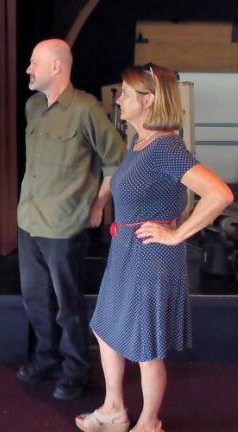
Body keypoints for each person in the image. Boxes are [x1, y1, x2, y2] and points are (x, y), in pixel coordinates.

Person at [75, 64, 234, 432]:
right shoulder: (138, 142)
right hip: (126, 247)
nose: (119, 100)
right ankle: (114, 409)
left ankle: (149, 423)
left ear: (147, 102)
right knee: (104, 327)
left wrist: (177, 234)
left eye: (125, 94)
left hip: (152, 255)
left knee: (145, 346)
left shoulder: (166, 146)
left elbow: (219, 194)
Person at [16, 39, 126, 400]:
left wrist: (98, 206)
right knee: (35, 299)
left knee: (68, 304)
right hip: (29, 221)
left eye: (34, 63)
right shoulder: (33, 107)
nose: (28, 69)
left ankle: (75, 368)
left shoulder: (85, 109)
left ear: (56, 67)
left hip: (64, 227)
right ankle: (46, 357)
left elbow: (117, 159)